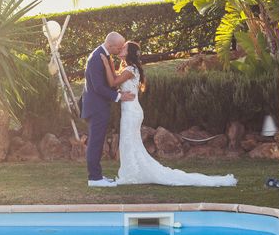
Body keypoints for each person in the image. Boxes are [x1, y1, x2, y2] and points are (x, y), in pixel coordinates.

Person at [100, 41, 237, 187]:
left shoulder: (130, 69)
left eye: (124, 48)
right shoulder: (129, 68)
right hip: (130, 110)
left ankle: (131, 174)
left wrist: (107, 64)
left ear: (130, 53)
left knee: (129, 142)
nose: (121, 49)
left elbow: (113, 82)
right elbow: (116, 81)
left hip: (131, 112)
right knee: (130, 143)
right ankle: (132, 172)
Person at [81, 32, 135, 187]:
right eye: (119, 47)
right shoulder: (97, 58)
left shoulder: (103, 55)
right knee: (95, 143)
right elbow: (98, 87)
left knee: (97, 142)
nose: (120, 49)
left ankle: (97, 175)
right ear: (110, 45)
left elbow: (108, 82)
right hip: (96, 107)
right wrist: (118, 97)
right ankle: (94, 179)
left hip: (99, 106)